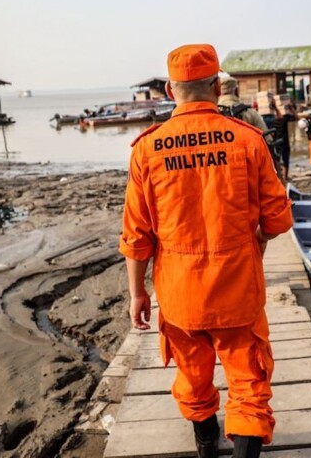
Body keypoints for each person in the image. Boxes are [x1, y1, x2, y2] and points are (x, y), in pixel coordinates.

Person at [121, 44, 293, 458]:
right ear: (217, 86)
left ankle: (205, 446)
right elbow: (276, 217)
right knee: (249, 381)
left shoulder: (147, 148)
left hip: (179, 292)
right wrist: (256, 247)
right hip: (237, 287)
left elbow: (136, 233)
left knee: (193, 377)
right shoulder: (248, 140)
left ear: (168, 89)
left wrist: (137, 293)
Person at [269, 101, 296, 182]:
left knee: (277, 160)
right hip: (284, 142)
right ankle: (284, 177)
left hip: (276, 143)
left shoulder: (272, 121)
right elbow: (296, 117)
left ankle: (280, 177)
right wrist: (291, 108)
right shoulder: (284, 119)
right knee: (284, 159)